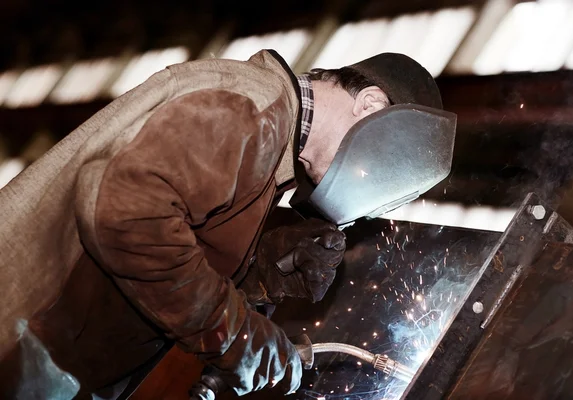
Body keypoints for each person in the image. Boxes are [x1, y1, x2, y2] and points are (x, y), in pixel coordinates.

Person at [0, 49, 444, 399]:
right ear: (369, 104)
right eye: (383, 169)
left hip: (51, 359)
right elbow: (129, 217)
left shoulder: (272, 147)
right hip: (19, 344)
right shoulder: (247, 108)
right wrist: (234, 335)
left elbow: (173, 240)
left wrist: (257, 275)